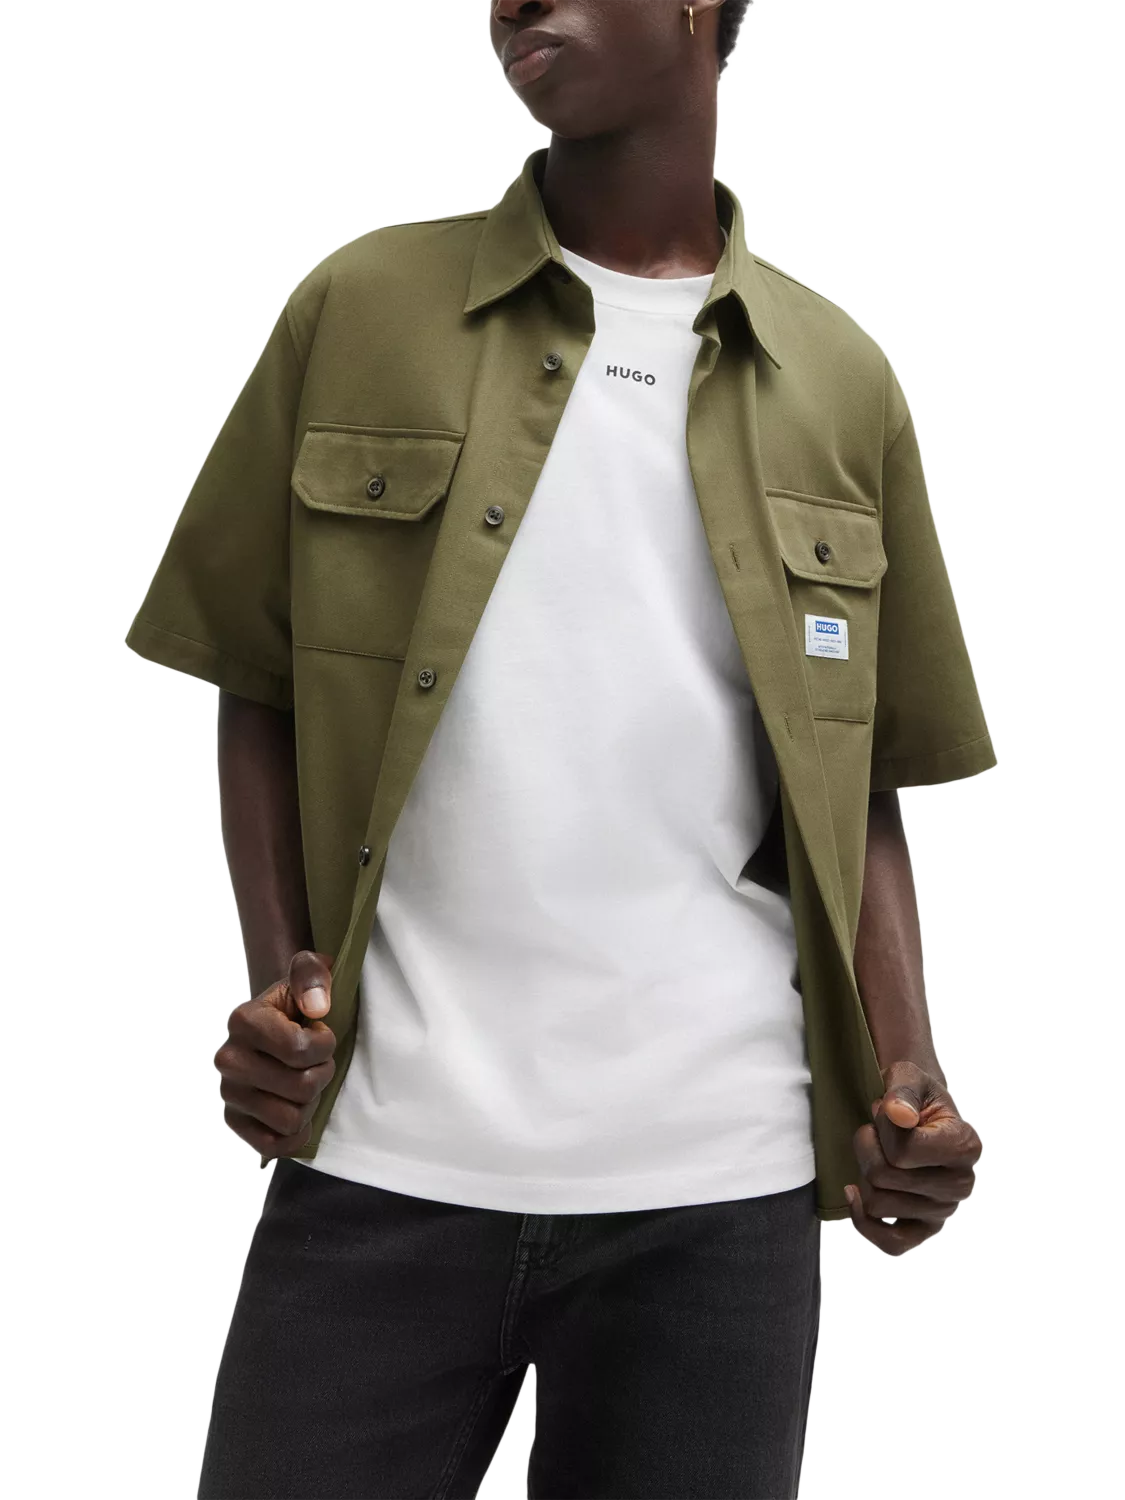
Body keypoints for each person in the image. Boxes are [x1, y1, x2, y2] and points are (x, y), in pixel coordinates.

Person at [124, 2, 996, 1495]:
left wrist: (907, 1065)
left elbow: (854, 789)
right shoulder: (361, 305)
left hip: (715, 1206)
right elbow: (255, 676)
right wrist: (281, 976)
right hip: (383, 1164)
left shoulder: (841, 379)